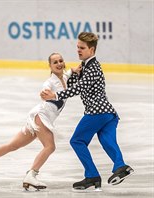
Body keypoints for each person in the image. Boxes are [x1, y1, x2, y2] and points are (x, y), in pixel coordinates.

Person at [0, 53, 81, 190]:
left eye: (61, 61)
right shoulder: (49, 82)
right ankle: (31, 175)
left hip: (39, 117)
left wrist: (74, 70)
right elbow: (45, 90)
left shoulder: (64, 78)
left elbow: (68, 72)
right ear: (50, 66)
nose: (59, 64)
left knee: (12, 145)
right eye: (55, 62)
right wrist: (46, 93)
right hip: (41, 117)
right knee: (50, 146)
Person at [40, 32, 134, 191]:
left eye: (82, 48)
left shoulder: (93, 67)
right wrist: (74, 73)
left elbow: (79, 88)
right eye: (77, 47)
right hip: (108, 113)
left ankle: (92, 175)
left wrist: (54, 95)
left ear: (91, 50)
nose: (78, 50)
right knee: (107, 140)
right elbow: (72, 85)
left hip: (97, 112)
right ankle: (121, 166)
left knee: (77, 141)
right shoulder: (85, 66)